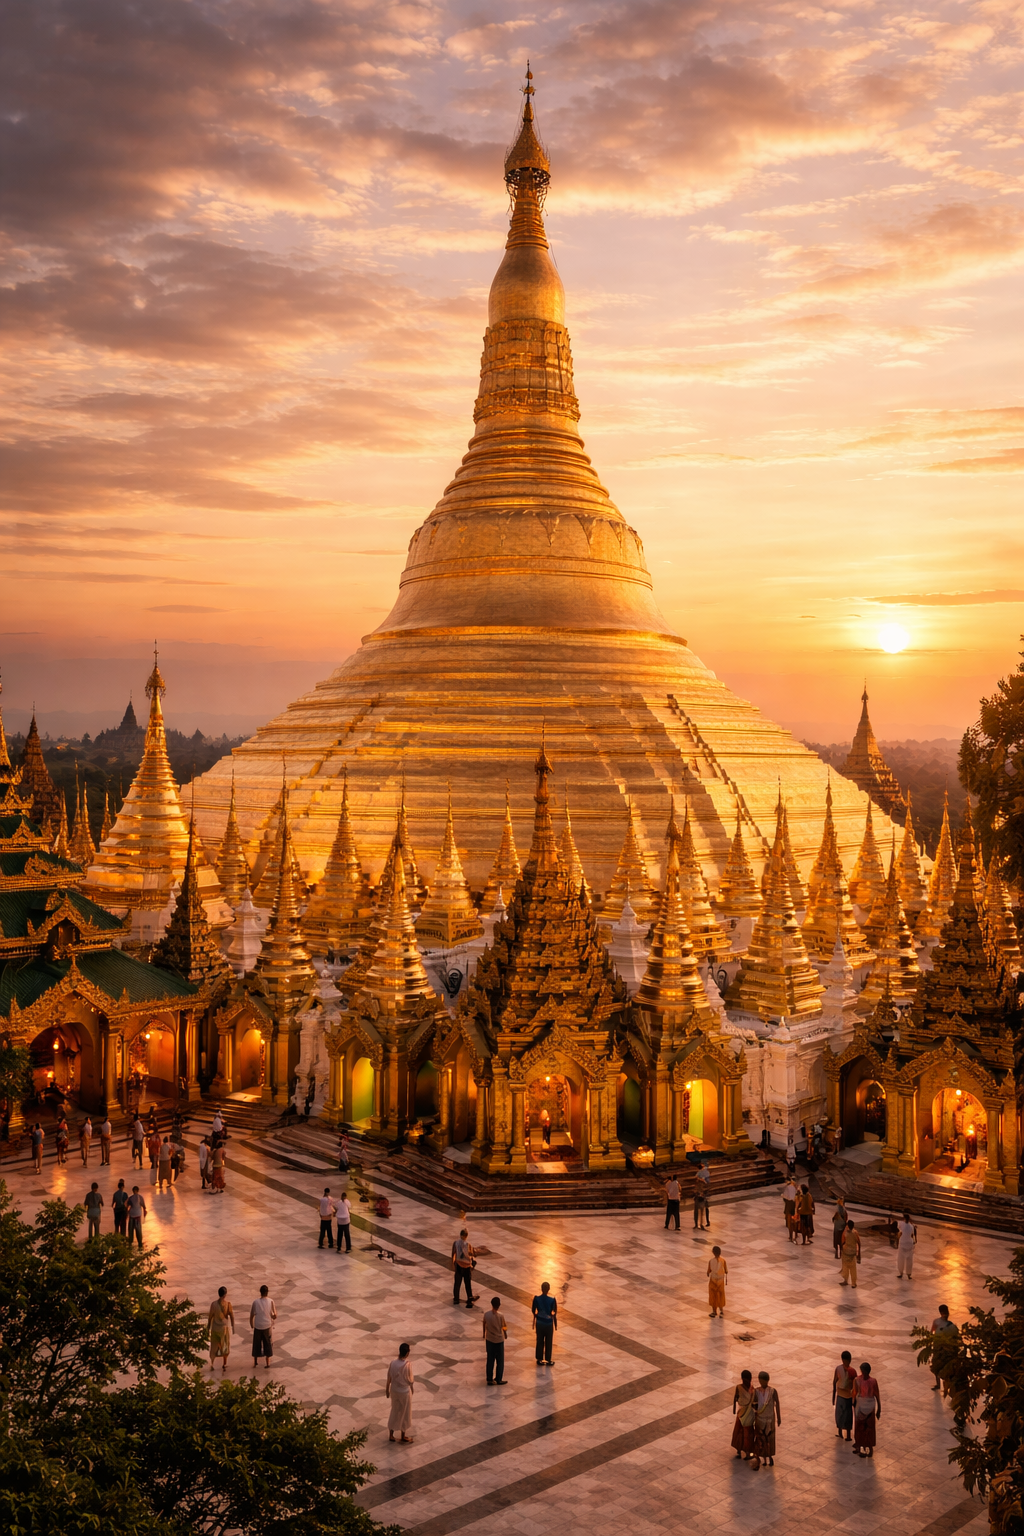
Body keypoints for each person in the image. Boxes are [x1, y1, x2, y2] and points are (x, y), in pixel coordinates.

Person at [751, 1372, 781, 1469]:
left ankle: (769, 1457)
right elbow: (753, 1404)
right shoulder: (756, 1391)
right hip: (760, 1419)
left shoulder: (772, 1391)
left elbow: (777, 1403)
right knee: (760, 1439)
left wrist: (779, 1417)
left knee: (769, 1439)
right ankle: (761, 1459)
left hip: (770, 1419)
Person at [385, 1343, 414, 1442]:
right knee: (405, 1413)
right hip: (404, 1392)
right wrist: (412, 1388)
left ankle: (391, 1434)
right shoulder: (407, 1365)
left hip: (394, 1390)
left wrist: (387, 1389)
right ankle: (403, 1436)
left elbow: (389, 1377)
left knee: (395, 1410)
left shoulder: (393, 1363)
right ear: (407, 1353)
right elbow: (410, 1380)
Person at [852, 1362, 881, 1457]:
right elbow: (855, 1393)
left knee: (869, 1428)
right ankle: (859, 1447)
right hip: (860, 1407)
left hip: (870, 1407)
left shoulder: (873, 1381)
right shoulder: (857, 1380)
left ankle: (870, 1448)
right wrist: (853, 1404)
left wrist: (879, 1409)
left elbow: (877, 1395)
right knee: (859, 1428)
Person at [930, 1306, 959, 1396]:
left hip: (947, 1349)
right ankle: (938, 1385)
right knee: (936, 1366)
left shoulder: (951, 1325)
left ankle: (947, 1387)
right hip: (939, 1347)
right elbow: (932, 1332)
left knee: (947, 1368)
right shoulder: (937, 1322)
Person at [207, 1286, 235, 1371]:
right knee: (225, 1346)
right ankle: (224, 1364)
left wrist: (208, 1326)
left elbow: (210, 1316)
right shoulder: (228, 1304)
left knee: (214, 1345)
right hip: (224, 1329)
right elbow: (232, 1316)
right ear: (225, 1294)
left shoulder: (213, 1304)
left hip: (215, 1328)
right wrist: (233, 1326)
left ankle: (212, 1363)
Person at [250, 1285, 276, 1369]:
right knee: (267, 1343)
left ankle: (255, 1362)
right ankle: (267, 1363)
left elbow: (251, 1315)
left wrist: (251, 1324)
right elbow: (274, 1315)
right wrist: (273, 1316)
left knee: (256, 1344)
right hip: (267, 1326)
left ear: (260, 1292)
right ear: (267, 1292)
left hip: (258, 1325)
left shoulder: (255, 1302)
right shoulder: (271, 1301)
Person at [483, 1296, 508, 1385]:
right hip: (499, 1339)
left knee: (490, 1359)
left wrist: (483, 1334)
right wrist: (505, 1334)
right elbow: (504, 1326)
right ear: (499, 1305)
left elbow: (484, 1324)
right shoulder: (501, 1315)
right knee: (500, 1360)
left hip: (489, 1339)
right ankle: (498, 1378)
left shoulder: (486, 1314)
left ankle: (489, 1378)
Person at [832, 1350, 856, 1441]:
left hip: (848, 1396)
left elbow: (855, 1385)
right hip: (840, 1395)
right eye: (846, 1360)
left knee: (848, 1416)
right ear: (842, 1360)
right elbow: (834, 1381)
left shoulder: (852, 1371)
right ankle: (840, 1432)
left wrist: (854, 1398)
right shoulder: (838, 1369)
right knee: (839, 1414)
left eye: (849, 1360)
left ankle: (849, 1435)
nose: (847, 1362)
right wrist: (834, 1395)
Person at [732, 1370, 755, 1459]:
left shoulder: (752, 1389)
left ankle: (748, 1452)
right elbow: (735, 1398)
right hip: (742, 1413)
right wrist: (734, 1409)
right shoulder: (739, 1387)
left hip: (748, 1414)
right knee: (739, 1432)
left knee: (747, 1434)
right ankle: (739, 1450)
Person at [532, 1281, 557, 1365]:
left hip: (539, 1323)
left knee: (539, 1340)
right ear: (548, 1289)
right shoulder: (552, 1300)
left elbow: (533, 1310)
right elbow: (554, 1311)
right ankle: (548, 1359)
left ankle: (539, 1358)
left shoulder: (536, 1299)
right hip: (548, 1324)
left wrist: (536, 1314)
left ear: (541, 1289)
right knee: (548, 1341)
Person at [452, 1228, 477, 1307]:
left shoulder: (455, 1243)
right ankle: (469, 1298)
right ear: (466, 1236)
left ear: (460, 1235)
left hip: (458, 1265)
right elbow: (471, 1254)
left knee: (457, 1283)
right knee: (467, 1283)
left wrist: (454, 1263)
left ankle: (456, 1299)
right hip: (466, 1266)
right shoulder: (468, 1244)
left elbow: (453, 1253)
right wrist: (472, 1264)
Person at [707, 1246, 728, 1318]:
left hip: (713, 1280)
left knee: (713, 1295)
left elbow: (708, 1271)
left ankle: (714, 1311)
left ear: (713, 1252)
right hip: (721, 1281)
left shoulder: (711, 1261)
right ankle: (721, 1311)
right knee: (721, 1295)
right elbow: (726, 1271)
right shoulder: (723, 1261)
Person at [839, 1220, 861, 1287]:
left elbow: (842, 1242)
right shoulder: (855, 1233)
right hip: (853, 1252)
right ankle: (853, 1283)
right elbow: (858, 1242)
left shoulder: (845, 1232)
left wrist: (841, 1250)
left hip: (846, 1251)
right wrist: (859, 1252)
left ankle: (845, 1280)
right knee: (853, 1268)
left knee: (845, 1266)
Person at [896, 1211, 917, 1278]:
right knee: (909, 1259)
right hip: (909, 1243)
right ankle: (908, 1274)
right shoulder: (911, 1226)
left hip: (903, 1242)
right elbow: (912, 1234)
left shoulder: (901, 1224)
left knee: (901, 1259)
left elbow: (899, 1228)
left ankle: (901, 1273)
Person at [781, 1177, 798, 1243]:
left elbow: (786, 1195)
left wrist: (783, 1196)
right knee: (794, 1216)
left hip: (789, 1202)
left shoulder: (788, 1187)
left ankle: (789, 1225)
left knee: (788, 1214)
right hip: (794, 1202)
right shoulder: (794, 1187)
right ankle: (795, 1234)